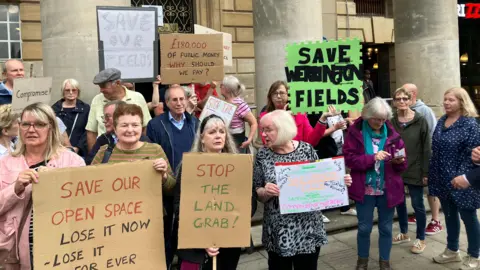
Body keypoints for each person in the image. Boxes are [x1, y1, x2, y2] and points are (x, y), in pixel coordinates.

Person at [254, 109, 352, 270]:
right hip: (278, 230)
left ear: (283, 129)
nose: (263, 134)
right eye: (262, 130)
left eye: (268, 130)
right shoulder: (262, 155)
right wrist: (265, 192)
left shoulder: (306, 149)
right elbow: (257, 191)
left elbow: (320, 181)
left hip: (308, 227)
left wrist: (339, 182)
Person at [0, 102, 85, 269]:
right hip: (14, 251)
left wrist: (57, 185)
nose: (31, 130)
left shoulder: (72, 161)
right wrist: (15, 189)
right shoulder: (4, 163)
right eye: (26, 124)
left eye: (39, 124)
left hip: (61, 246)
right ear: (19, 127)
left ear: (51, 127)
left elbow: (86, 205)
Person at [174, 114, 250, 270]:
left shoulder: (238, 166)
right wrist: (202, 239)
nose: (218, 136)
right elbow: (179, 205)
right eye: (212, 132)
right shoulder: (189, 167)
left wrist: (239, 215)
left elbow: (250, 200)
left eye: (222, 131)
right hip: (197, 244)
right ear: (202, 138)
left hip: (230, 238)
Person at [343, 97, 407, 270]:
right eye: (376, 119)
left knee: (386, 228)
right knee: (364, 228)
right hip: (365, 188)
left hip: (388, 188)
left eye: (383, 119)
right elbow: (349, 159)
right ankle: (362, 261)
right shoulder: (355, 133)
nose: (380, 122)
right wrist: (372, 158)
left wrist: (399, 161)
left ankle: (384, 261)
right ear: (366, 116)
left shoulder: (393, 135)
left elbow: (402, 164)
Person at [146, 85, 200, 268]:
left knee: (187, 231)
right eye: (174, 100)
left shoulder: (195, 123)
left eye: (182, 99)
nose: (179, 103)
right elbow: (151, 155)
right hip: (167, 187)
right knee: (166, 232)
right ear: (167, 103)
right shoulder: (156, 125)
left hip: (191, 188)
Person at [428, 88, 480, 269]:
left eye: (451, 100)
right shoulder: (442, 121)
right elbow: (436, 151)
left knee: (469, 217)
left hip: (461, 180)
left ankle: (474, 255)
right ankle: (452, 251)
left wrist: (462, 177)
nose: (446, 103)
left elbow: (473, 155)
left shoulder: (470, 124)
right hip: (441, 178)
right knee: (449, 216)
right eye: (445, 99)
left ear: (461, 102)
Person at [91, 103, 174, 185]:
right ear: (115, 129)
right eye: (124, 125)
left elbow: (172, 189)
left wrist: (163, 175)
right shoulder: (103, 152)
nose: (130, 130)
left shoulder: (155, 150)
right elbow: (91, 184)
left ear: (141, 128)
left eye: (135, 125)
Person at [390, 87, 431, 254]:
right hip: (396, 168)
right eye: (398, 99)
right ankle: (404, 232)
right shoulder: (391, 120)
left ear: (410, 100)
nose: (401, 101)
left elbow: (426, 147)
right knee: (399, 203)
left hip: (415, 168)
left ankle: (421, 238)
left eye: (404, 99)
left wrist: (426, 172)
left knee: (417, 204)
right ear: (394, 102)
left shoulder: (420, 120)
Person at [402, 83, 442, 236]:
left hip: (425, 158)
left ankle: (436, 220)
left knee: (430, 188)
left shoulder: (424, 110)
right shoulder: (402, 110)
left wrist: (430, 157)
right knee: (415, 190)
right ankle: (420, 216)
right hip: (409, 160)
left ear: (412, 94)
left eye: (405, 93)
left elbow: (432, 133)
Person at [86, 68, 151, 152]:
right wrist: (93, 155)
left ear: (117, 83)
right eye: (100, 87)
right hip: (104, 150)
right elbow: (91, 131)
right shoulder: (97, 100)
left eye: (104, 86)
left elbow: (145, 126)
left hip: (134, 150)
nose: (101, 90)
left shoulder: (137, 98)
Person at [260, 81, 329, 146]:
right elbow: (266, 141)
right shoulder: (265, 116)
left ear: (288, 96)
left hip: (299, 157)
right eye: (275, 93)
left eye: (281, 93)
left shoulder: (300, 114)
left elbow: (311, 140)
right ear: (270, 97)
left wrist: (323, 118)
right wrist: (283, 118)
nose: (278, 96)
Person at [85, 100, 149, 165]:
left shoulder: (146, 143)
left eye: (107, 117)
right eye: (104, 117)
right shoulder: (103, 139)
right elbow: (90, 164)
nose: (104, 121)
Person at [52, 78, 90, 157]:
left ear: (78, 91)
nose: (71, 93)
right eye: (67, 90)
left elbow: (88, 130)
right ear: (63, 92)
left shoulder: (86, 109)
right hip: (58, 151)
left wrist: (78, 147)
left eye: (74, 90)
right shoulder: (54, 109)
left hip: (80, 152)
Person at [220, 75, 257, 153]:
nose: (220, 87)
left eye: (222, 85)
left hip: (237, 144)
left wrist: (249, 139)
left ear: (227, 88)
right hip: (224, 143)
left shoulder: (240, 104)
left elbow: (253, 123)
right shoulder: (222, 102)